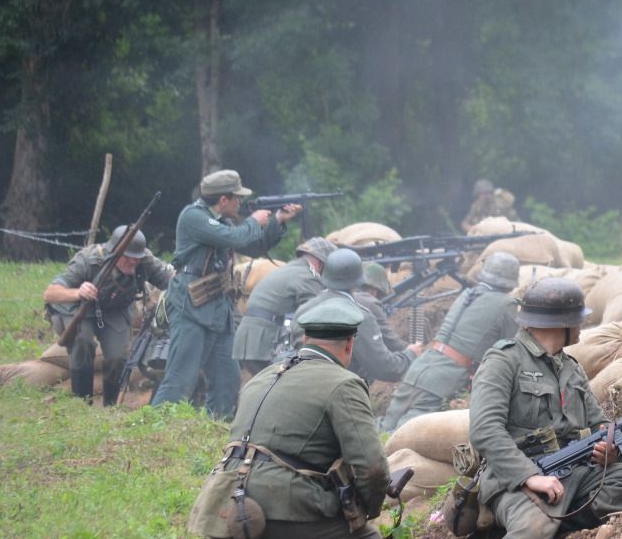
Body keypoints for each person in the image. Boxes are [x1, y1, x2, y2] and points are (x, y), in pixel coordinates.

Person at [468, 277, 622, 539]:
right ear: (562, 323)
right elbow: (484, 431)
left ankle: (559, 521)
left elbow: (599, 424)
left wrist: (607, 449)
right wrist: (530, 477)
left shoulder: (570, 367)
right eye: (577, 320)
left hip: (573, 474)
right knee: (535, 525)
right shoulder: (504, 361)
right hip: (514, 478)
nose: (582, 326)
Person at [187, 295, 390, 539]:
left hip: (222, 520)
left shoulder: (260, 378)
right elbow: (373, 468)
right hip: (277, 522)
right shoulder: (345, 384)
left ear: (305, 337)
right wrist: (367, 510)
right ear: (349, 344)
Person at [151, 170, 298, 419]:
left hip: (218, 308)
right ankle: (154, 432)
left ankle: (215, 430)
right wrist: (253, 221)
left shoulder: (221, 222)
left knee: (227, 380)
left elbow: (253, 245)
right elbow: (234, 237)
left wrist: (278, 221)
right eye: (237, 198)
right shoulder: (193, 216)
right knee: (180, 378)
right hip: (192, 307)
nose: (240, 202)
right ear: (223, 200)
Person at [381, 252, 521, 430]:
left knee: (385, 428)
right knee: (404, 435)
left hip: (419, 368)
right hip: (445, 380)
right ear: (511, 280)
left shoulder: (469, 293)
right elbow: (512, 352)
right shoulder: (507, 305)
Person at [43, 225, 173, 405]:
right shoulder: (88, 259)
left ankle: (111, 405)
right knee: (83, 343)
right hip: (79, 306)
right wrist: (78, 292)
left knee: (118, 356)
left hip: (115, 310)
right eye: (127, 259)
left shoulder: (145, 261)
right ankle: (82, 402)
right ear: (114, 253)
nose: (132, 263)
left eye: (136, 259)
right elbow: (50, 293)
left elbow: (170, 280)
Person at [292, 248, 420, 386]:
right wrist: (410, 354)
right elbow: (386, 369)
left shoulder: (302, 310)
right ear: (358, 280)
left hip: (300, 385)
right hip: (338, 393)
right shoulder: (359, 317)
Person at [231, 237, 334, 377]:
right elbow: (317, 316)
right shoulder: (307, 276)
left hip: (248, 342)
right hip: (264, 344)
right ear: (321, 264)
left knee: (269, 388)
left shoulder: (288, 270)